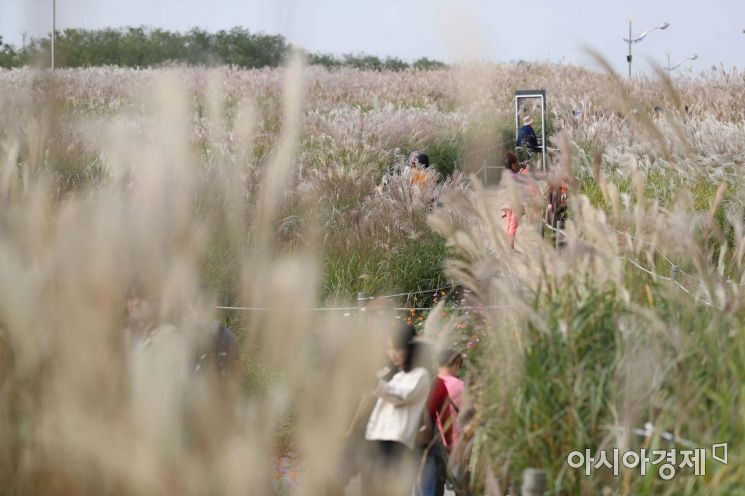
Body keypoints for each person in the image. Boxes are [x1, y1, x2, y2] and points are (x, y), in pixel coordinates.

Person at [363, 324, 432, 496]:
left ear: (410, 348)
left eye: (397, 348)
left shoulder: (421, 375)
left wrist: (375, 383)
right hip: (380, 439)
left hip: (397, 443)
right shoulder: (397, 375)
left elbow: (399, 396)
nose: (392, 353)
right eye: (388, 348)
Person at [415, 341, 452, 496]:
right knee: (426, 490)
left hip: (404, 447)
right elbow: (446, 419)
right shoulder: (438, 383)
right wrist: (449, 446)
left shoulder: (400, 378)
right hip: (427, 446)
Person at [500, 152, 529, 250]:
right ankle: (510, 246)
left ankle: (508, 245)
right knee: (513, 225)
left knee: (508, 224)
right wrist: (525, 170)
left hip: (508, 203)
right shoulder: (514, 177)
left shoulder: (507, 174)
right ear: (512, 165)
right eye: (517, 163)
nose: (518, 165)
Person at [437, 348, 464, 448]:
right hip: (457, 443)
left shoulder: (429, 385)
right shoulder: (461, 386)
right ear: (456, 365)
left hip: (436, 445)